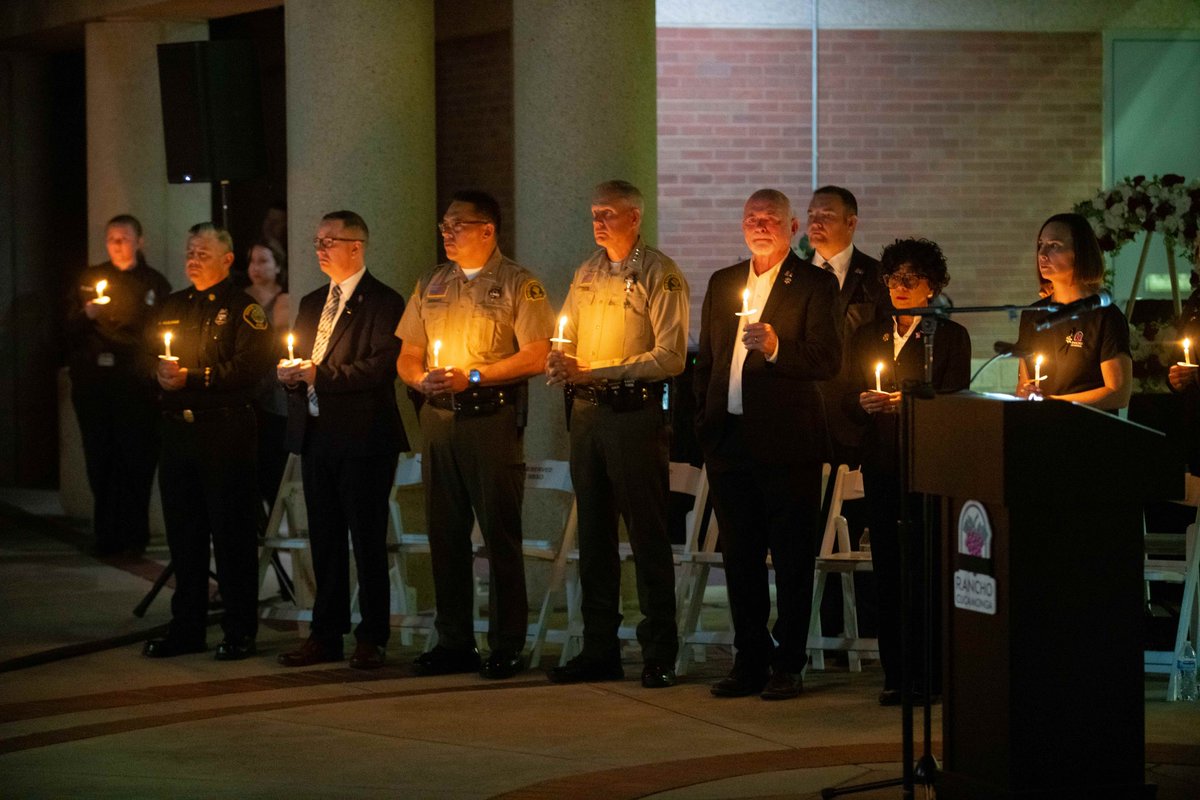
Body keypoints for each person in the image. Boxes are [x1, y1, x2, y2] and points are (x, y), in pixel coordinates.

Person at [396, 191, 553, 679]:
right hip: (439, 419)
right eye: (444, 225)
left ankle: (507, 644)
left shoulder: (517, 284)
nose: (446, 232)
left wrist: (478, 376)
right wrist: (419, 379)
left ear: (488, 230)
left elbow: (536, 353)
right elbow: (407, 353)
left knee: (499, 535)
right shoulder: (432, 282)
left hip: (490, 419)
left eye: (457, 225)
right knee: (444, 535)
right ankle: (454, 641)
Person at [693, 188, 841, 700]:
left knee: (792, 556)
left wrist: (778, 348)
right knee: (740, 556)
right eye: (752, 217)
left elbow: (827, 359)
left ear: (793, 227)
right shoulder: (724, 281)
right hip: (729, 440)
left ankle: (789, 663)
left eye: (771, 218)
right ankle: (749, 658)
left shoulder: (815, 285)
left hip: (787, 441)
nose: (760, 225)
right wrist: (704, 424)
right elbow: (708, 361)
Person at [545, 179, 688, 689]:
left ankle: (659, 651)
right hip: (587, 415)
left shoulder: (659, 273)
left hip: (633, 415)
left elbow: (670, 357)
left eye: (608, 213)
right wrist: (563, 361)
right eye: (594, 213)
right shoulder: (586, 272)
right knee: (594, 535)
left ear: (635, 218)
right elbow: (572, 337)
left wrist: (599, 373)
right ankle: (599, 646)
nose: (598, 222)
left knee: (647, 534)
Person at [276, 211, 407, 670]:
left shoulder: (384, 302)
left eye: (330, 240)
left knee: (366, 539)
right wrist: (292, 375)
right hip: (315, 434)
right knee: (324, 539)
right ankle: (324, 634)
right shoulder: (313, 302)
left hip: (364, 437)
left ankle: (372, 636)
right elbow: (304, 357)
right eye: (317, 240)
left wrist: (319, 374)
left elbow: (377, 368)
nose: (320, 248)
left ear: (357, 246)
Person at [845, 238, 971, 705]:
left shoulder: (949, 336)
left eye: (909, 279)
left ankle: (931, 673)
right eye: (892, 277)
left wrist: (911, 404)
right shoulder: (868, 335)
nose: (898, 287)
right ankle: (896, 672)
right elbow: (843, 394)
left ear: (931, 287)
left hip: (928, 466)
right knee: (889, 570)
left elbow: (957, 397)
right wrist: (861, 402)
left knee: (927, 569)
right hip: (881, 464)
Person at [143, 223, 273, 660]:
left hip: (225, 431)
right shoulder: (174, 305)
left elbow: (250, 368)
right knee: (185, 534)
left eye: (203, 251)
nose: (193, 257)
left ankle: (239, 629)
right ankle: (187, 626)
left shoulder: (244, 308)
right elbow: (147, 355)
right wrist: (157, 374)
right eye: (189, 250)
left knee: (231, 534)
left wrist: (194, 377)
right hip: (178, 431)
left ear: (227, 259)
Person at [66, 214, 171, 556]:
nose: (117, 244)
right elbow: (64, 331)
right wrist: (87, 316)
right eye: (112, 238)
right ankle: (107, 536)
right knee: (101, 459)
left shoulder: (154, 283)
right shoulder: (90, 279)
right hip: (96, 388)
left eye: (124, 238)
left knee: (136, 460)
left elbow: (156, 335)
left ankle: (133, 538)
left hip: (136, 387)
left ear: (139, 242)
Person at [1014, 213, 1132, 409]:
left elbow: (1118, 393)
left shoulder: (1105, 316)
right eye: (1040, 245)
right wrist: (1025, 394)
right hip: (1042, 430)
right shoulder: (1032, 314)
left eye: (1054, 245)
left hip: (1088, 431)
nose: (1042, 254)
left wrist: (1055, 403)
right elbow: (1023, 386)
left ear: (1080, 252)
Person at [807, 186, 886, 467]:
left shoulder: (878, 277)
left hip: (857, 417)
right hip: (805, 416)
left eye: (827, 215)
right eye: (811, 214)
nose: (815, 223)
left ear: (851, 223)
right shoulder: (796, 276)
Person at [244, 239, 292, 511]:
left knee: (273, 462)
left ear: (278, 266)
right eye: (252, 261)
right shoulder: (241, 297)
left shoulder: (285, 300)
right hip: (249, 387)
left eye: (263, 261)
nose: (256, 268)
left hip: (274, 389)